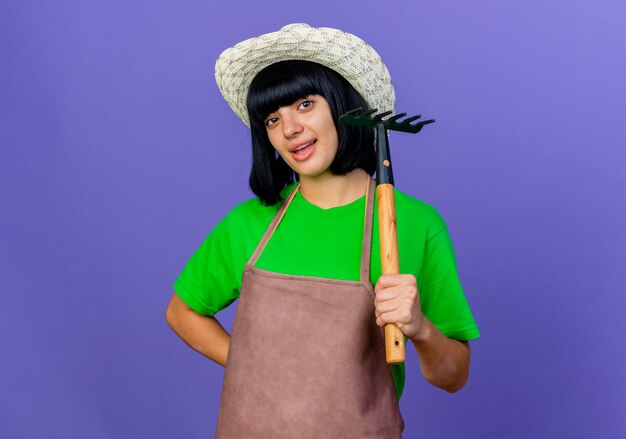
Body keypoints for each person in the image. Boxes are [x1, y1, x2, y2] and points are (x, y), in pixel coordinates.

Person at [166, 23, 479, 438]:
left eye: (305, 104)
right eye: (272, 118)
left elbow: (453, 376)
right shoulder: (248, 224)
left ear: (344, 106)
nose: (289, 128)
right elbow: (181, 312)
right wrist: (259, 367)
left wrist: (419, 327)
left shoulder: (417, 224)